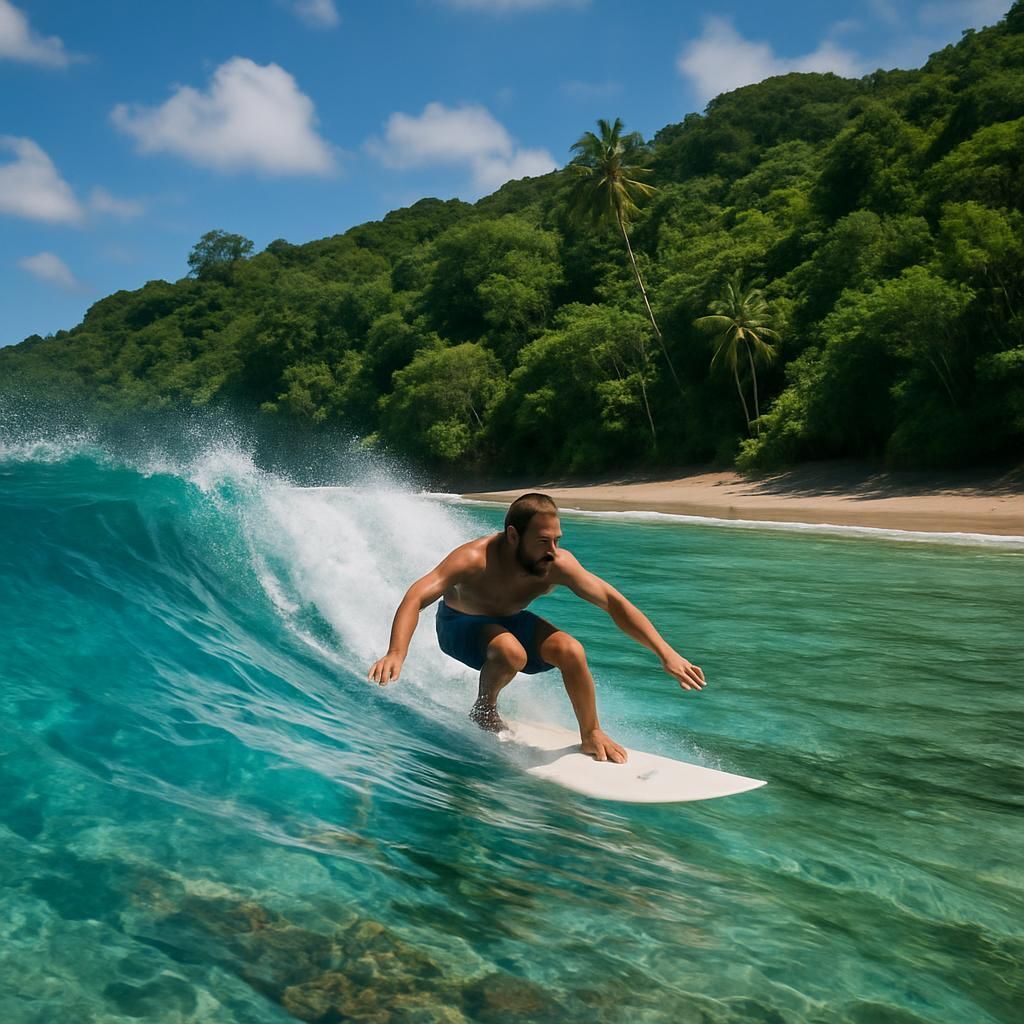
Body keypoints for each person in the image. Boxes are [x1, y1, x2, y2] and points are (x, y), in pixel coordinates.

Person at [368, 493, 705, 764]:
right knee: (511, 651)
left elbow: (613, 602)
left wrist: (665, 652)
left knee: (571, 650)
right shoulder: (473, 559)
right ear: (513, 536)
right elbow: (416, 596)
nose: (553, 551)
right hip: (460, 627)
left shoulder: (556, 564)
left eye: (557, 540)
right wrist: (397, 652)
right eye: (544, 541)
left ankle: (591, 733)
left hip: (510, 622)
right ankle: (484, 709)